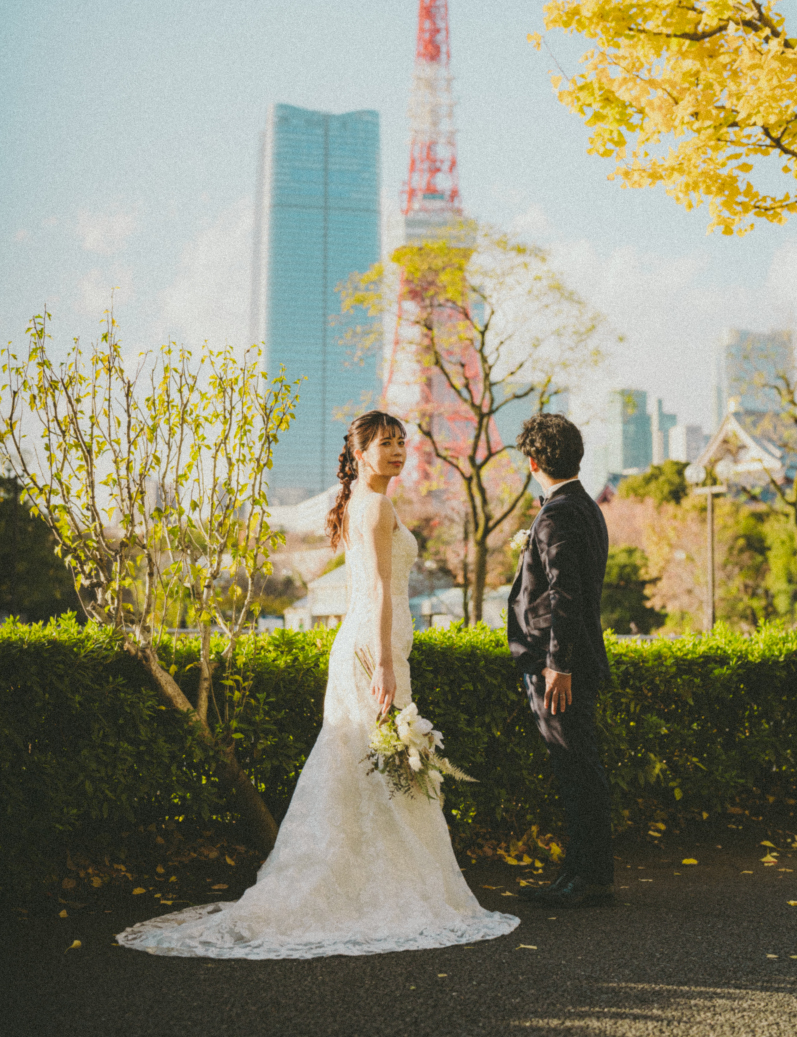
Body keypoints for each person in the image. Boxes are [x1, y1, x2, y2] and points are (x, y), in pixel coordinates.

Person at [118, 410, 518, 958]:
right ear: (360, 452)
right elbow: (377, 590)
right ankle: (379, 888)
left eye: (403, 442)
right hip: (372, 649)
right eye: (386, 443)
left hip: (374, 644)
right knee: (376, 761)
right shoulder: (373, 505)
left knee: (369, 763)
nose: (398, 451)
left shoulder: (367, 502)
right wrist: (382, 663)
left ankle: (373, 882)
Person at [507, 413, 613, 909]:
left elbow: (564, 595)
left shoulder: (558, 514)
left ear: (532, 461)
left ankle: (586, 878)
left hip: (559, 667)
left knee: (576, 770)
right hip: (568, 660)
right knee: (579, 768)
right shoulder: (584, 507)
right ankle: (582, 872)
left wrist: (557, 666)